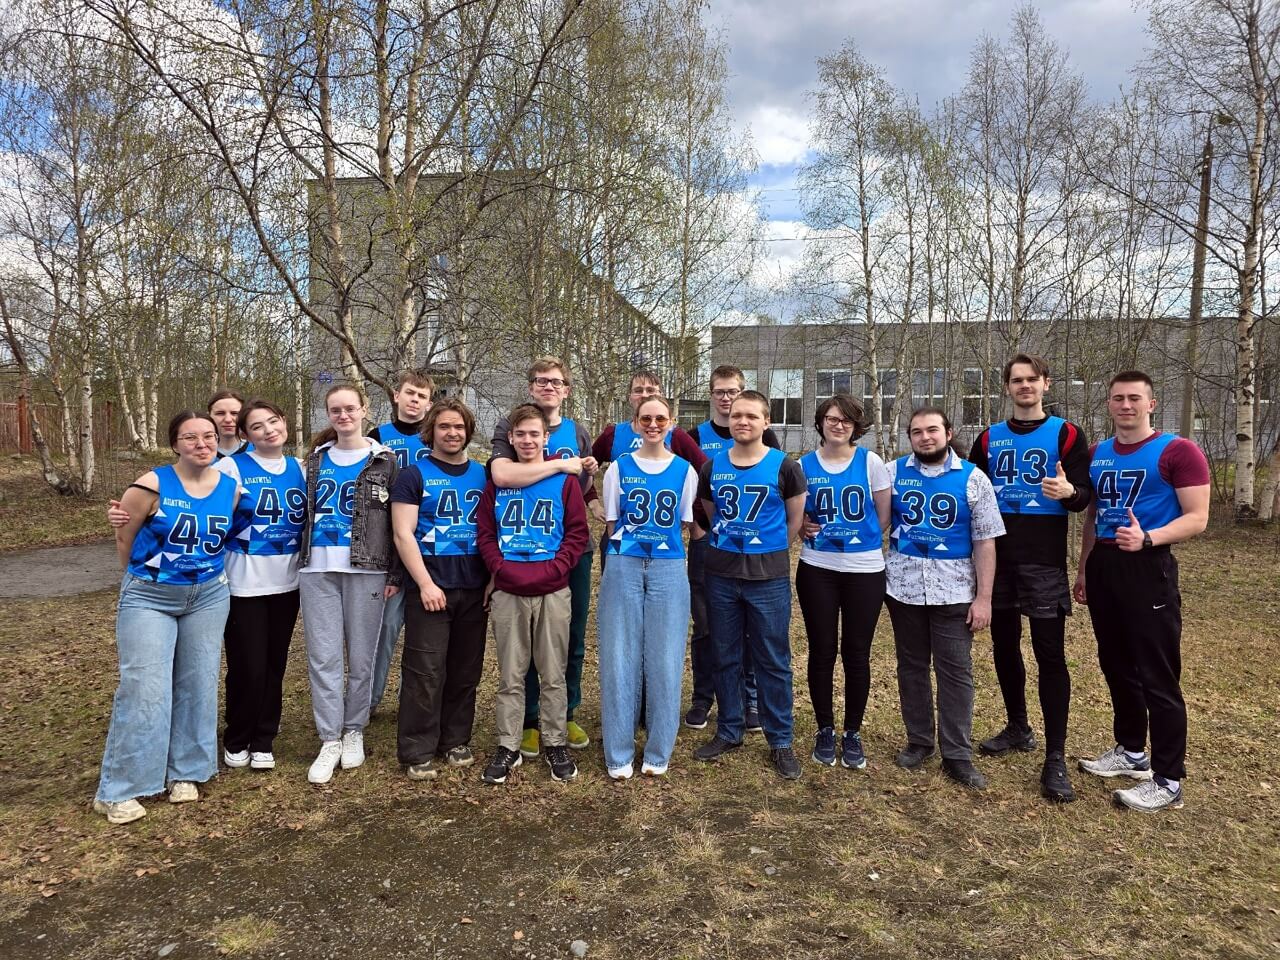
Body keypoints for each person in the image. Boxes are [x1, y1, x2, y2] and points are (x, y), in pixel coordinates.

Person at [93, 411, 240, 824]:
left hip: (208, 596)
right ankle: (119, 789)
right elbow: (124, 537)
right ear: (175, 443)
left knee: (199, 683)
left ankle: (186, 771)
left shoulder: (230, 489)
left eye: (208, 436)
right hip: (150, 596)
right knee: (145, 688)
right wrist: (146, 580)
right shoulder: (151, 484)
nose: (201, 444)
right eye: (190, 437)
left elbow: (225, 539)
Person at [1075, 370, 1209, 813]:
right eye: (1118, 398)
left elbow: (1197, 517)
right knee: (1116, 664)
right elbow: (1092, 516)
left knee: (1158, 673)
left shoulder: (1178, 451)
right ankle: (1132, 751)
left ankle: (1168, 779)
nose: (1126, 405)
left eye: (1134, 398)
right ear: (1109, 404)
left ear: (1151, 404)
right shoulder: (1097, 453)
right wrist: (1084, 569)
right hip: (1105, 564)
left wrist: (1149, 538)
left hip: (1148, 565)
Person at [969, 354, 1092, 803]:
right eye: (1016, 380)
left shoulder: (1066, 434)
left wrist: (1069, 491)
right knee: (1005, 647)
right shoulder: (988, 438)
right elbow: (968, 492)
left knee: (1049, 654)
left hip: (1043, 562)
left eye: (1032, 379)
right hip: (998, 560)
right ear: (1007, 387)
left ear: (1045, 384)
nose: (1024, 386)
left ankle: (1055, 755)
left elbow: (1084, 496)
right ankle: (1017, 726)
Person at [886, 408, 1004, 790]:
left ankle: (957, 754)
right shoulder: (892, 473)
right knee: (911, 666)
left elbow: (985, 542)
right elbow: (872, 519)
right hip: (903, 588)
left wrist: (984, 598)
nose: (925, 437)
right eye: (917, 431)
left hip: (954, 591)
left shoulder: (974, 478)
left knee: (955, 672)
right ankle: (920, 741)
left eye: (932, 430)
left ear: (948, 433)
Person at [693, 390, 807, 780]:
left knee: (772, 659)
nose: (743, 421)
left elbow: (793, 521)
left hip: (767, 578)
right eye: (737, 415)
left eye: (752, 416)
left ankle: (780, 739)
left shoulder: (785, 466)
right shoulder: (712, 467)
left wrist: (766, 551)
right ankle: (729, 729)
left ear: (766, 422)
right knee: (725, 654)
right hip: (721, 575)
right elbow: (712, 515)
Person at [488, 357, 599, 758]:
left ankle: (565, 713)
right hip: (521, 552)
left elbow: (581, 489)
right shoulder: (512, 424)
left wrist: (588, 474)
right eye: (540, 381)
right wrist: (561, 466)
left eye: (556, 382)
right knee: (526, 643)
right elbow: (502, 475)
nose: (548, 387)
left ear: (566, 390)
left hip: (569, 550)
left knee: (569, 636)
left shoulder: (578, 431)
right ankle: (531, 718)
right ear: (531, 387)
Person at [477, 403, 590, 784]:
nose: (527, 440)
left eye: (534, 434)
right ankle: (508, 744)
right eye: (521, 434)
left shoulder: (564, 481)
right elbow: (485, 533)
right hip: (509, 588)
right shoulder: (498, 482)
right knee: (511, 673)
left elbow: (577, 533)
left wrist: (556, 569)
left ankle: (555, 741)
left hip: (552, 588)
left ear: (546, 438)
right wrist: (500, 568)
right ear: (510, 438)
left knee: (553, 671)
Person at [298, 383, 401, 785]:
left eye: (349, 408)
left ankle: (354, 728)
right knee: (323, 657)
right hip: (317, 571)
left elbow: (397, 524)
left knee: (362, 657)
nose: (343, 416)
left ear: (364, 410)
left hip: (368, 569)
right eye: (335, 410)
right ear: (329, 414)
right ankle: (329, 738)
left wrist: (394, 574)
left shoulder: (385, 462)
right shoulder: (313, 462)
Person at [597, 396, 699, 778]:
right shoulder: (618, 468)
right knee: (618, 655)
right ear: (636, 422)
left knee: (666, 657)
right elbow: (612, 522)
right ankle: (618, 752)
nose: (653, 424)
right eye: (646, 418)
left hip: (668, 567)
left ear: (671, 421)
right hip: (624, 563)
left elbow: (685, 523)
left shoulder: (685, 470)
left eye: (660, 418)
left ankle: (658, 751)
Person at [390, 398, 490, 779]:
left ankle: (455, 739)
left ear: (468, 432)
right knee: (425, 670)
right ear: (430, 431)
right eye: (444, 426)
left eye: (459, 427)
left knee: (465, 669)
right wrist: (425, 584)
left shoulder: (483, 474)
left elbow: (494, 529)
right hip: (431, 586)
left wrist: (492, 580)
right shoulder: (413, 475)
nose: (452, 433)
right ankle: (417, 748)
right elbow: (403, 534)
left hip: (474, 587)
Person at [683, 365, 782, 733]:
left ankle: (749, 697)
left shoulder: (765, 436)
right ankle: (703, 697)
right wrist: (698, 528)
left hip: (754, 551)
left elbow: (777, 490)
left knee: (751, 627)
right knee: (706, 624)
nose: (726, 398)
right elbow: (688, 486)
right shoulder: (695, 436)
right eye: (720, 392)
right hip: (709, 543)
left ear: (744, 393)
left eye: (733, 391)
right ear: (711, 395)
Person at [796, 395, 890, 770]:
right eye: (832, 419)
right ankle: (825, 728)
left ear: (856, 426)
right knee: (821, 651)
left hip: (864, 569)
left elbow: (883, 515)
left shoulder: (871, 462)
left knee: (856, 653)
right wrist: (801, 526)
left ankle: (852, 732)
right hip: (817, 568)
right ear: (821, 422)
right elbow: (795, 514)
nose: (839, 425)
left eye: (846, 420)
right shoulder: (803, 465)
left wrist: (856, 539)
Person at [369, 370, 435, 715]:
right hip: (387, 544)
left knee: (424, 633)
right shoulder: (377, 437)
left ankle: (412, 700)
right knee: (385, 629)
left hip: (428, 542)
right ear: (396, 395)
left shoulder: (436, 437)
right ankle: (369, 700)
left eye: (422, 396)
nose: (414, 400)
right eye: (410, 393)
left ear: (429, 404)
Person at [208, 389, 250, 460]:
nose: (228, 419)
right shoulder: (198, 453)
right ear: (209, 416)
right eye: (220, 413)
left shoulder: (259, 450)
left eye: (235, 413)